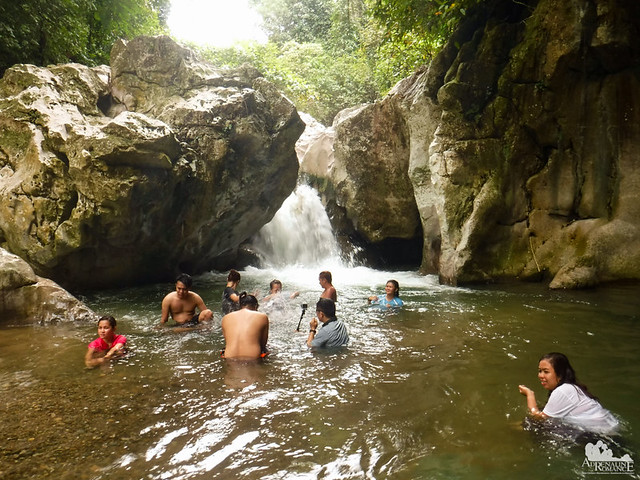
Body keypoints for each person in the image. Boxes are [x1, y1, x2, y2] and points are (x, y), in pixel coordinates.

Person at [518, 352, 619, 434]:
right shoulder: (570, 387)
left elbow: (538, 418)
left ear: (560, 374)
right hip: (607, 429)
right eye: (540, 371)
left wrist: (530, 395)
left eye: (546, 371)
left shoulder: (562, 391)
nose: (540, 375)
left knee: (533, 424)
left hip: (602, 436)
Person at [221, 292, 269, 359]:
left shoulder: (226, 318)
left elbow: (228, 341)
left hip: (229, 356)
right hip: (252, 358)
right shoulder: (262, 316)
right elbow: (263, 344)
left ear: (240, 306)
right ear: (256, 306)